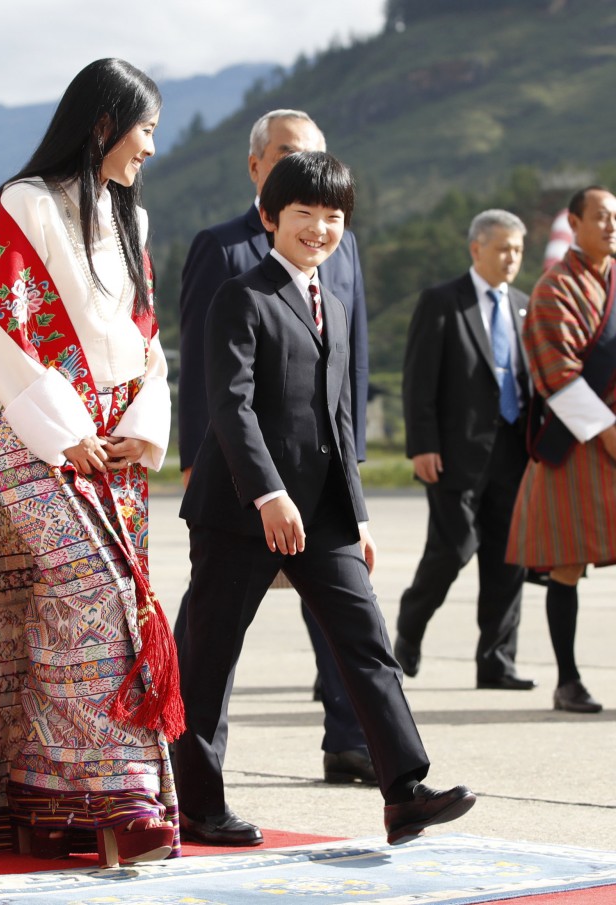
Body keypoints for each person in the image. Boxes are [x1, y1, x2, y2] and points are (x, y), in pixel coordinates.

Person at [174, 150, 476, 848]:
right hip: (241, 512)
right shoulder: (241, 296)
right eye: (303, 213)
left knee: (367, 643)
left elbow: (340, 423)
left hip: (326, 514)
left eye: (333, 216)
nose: (318, 228)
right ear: (269, 217)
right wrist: (269, 494)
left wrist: (359, 513)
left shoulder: (333, 305)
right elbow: (231, 407)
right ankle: (199, 803)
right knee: (212, 656)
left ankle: (403, 792)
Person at [0, 59, 182, 870]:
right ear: (102, 124)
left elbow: (146, 342)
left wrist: (147, 426)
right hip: (39, 435)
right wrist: (62, 426)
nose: (152, 145)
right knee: (95, 592)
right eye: (145, 127)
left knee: (80, 600)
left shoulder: (130, 221)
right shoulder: (27, 203)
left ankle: (50, 795)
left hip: (112, 445)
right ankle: (119, 790)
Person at [176, 109, 374, 804]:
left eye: (316, 156)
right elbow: (212, 380)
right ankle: (189, 775)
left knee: (349, 621)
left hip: (320, 486)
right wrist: (202, 459)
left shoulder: (338, 246)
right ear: (259, 167)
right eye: (289, 155)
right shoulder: (223, 249)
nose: (318, 218)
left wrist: (356, 495)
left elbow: (347, 375)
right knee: (211, 636)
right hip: (239, 482)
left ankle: (354, 742)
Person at [395, 210, 536, 691]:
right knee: (452, 550)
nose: (512, 258)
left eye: (518, 249)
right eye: (503, 248)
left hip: (515, 453)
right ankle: (409, 630)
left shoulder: (524, 305)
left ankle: (497, 662)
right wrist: (422, 445)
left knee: (508, 558)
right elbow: (419, 381)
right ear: (476, 249)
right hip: (454, 455)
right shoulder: (443, 302)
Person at [507, 185, 616, 714]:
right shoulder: (555, 288)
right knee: (567, 566)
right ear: (574, 223)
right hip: (578, 445)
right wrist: (610, 433)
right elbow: (558, 375)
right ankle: (568, 679)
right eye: (600, 216)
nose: (611, 226)